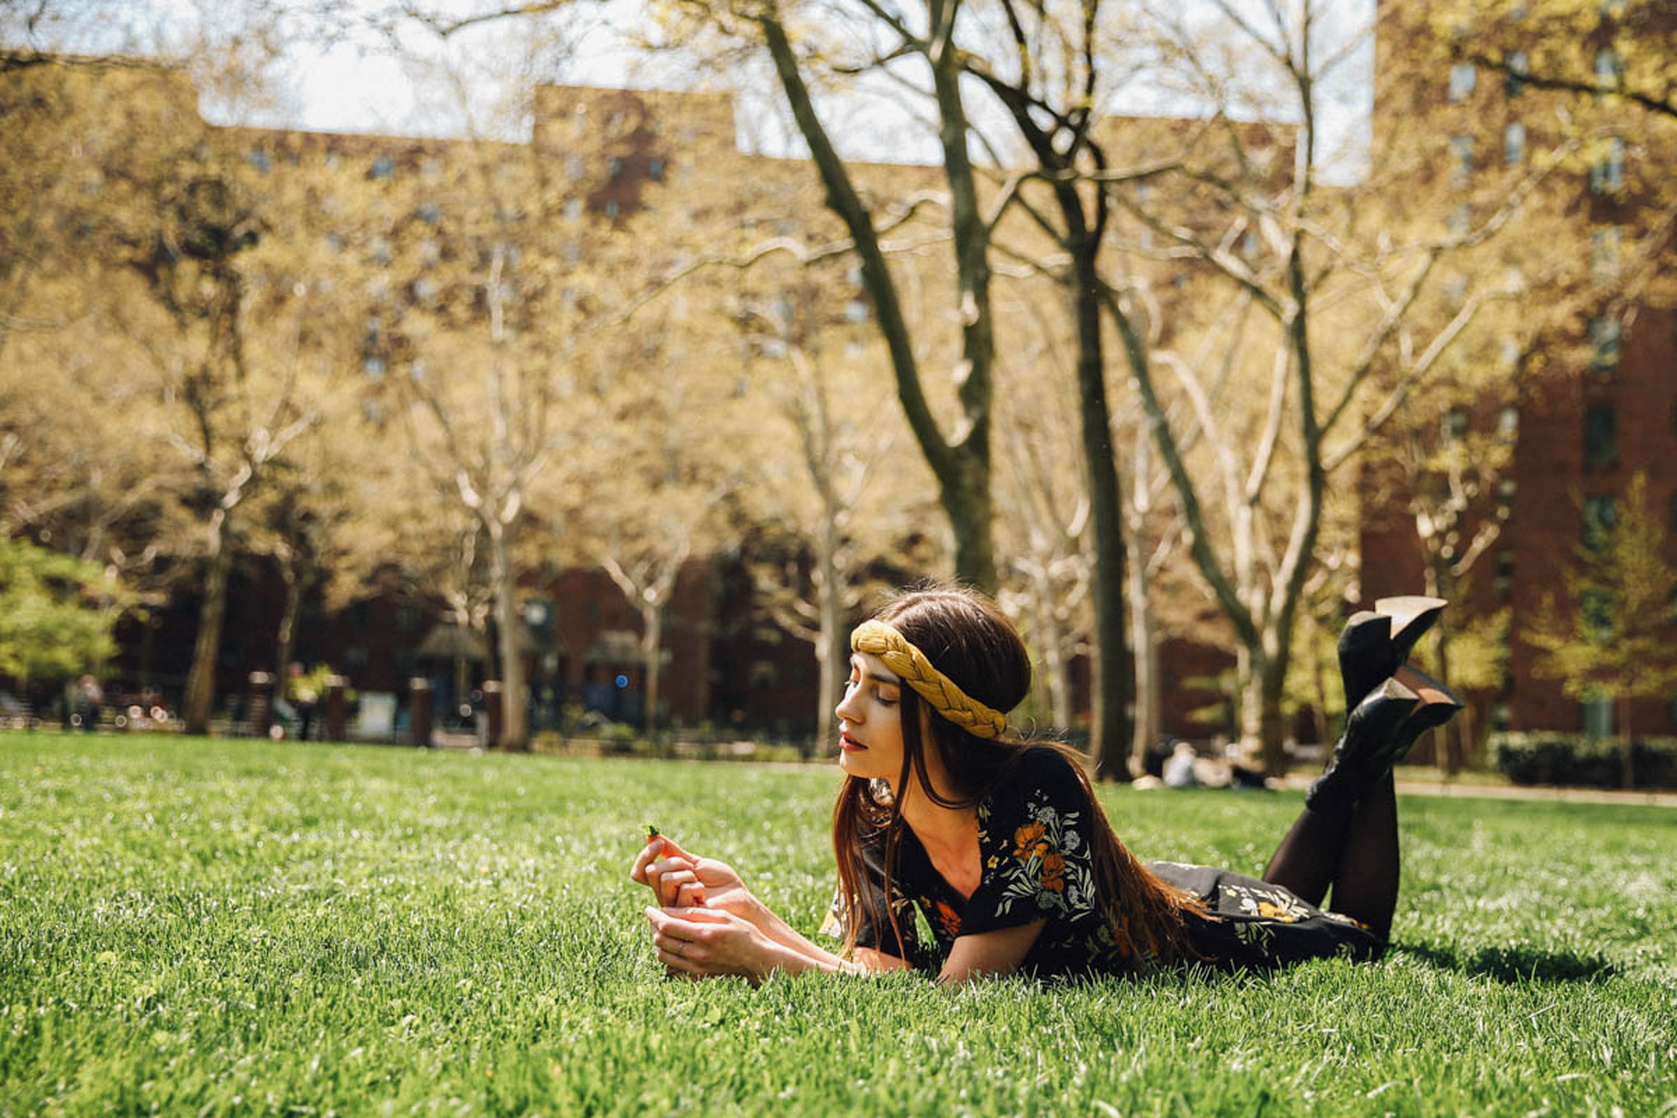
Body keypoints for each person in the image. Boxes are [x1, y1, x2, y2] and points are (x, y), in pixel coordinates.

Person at [631, 586, 1459, 985]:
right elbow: (875, 977)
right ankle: (1368, 694)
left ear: (945, 718)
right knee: (1291, 888)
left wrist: (759, 961)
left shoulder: (1033, 787)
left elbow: (957, 996)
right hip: (1162, 892)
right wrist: (748, 911)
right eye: (853, 682)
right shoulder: (872, 816)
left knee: (1354, 935)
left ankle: (1363, 734)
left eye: (881, 695)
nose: (846, 708)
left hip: (1208, 931)